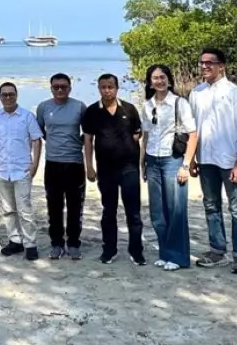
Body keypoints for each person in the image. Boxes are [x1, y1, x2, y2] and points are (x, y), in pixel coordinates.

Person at [189, 48, 237, 274]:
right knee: (211, 205)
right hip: (206, 159)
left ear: (221, 65)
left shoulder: (236, 94)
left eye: (210, 63)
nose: (205, 66)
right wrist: (193, 158)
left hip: (229, 159)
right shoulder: (196, 93)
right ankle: (217, 250)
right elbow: (193, 128)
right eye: (202, 62)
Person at [82, 73, 145, 265]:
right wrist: (90, 166)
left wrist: (140, 164)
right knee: (108, 211)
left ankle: (136, 251)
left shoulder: (130, 109)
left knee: (133, 212)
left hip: (129, 168)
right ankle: (109, 250)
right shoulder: (92, 111)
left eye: (110, 87)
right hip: (105, 169)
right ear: (99, 88)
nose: (107, 90)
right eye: (103, 87)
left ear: (117, 88)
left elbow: (138, 136)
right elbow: (88, 140)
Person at [141, 65, 198, 271]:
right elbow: (146, 135)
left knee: (176, 210)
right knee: (158, 211)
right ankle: (165, 252)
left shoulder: (179, 103)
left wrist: (186, 164)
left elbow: (193, 134)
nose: (159, 81)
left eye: (162, 77)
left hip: (172, 159)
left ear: (169, 80)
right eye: (154, 78)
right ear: (149, 82)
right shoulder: (147, 105)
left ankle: (179, 256)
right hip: (152, 159)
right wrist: (143, 163)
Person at [0, 82, 43, 260]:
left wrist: (34, 164)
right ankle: (15, 241)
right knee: (8, 209)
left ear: (16, 95)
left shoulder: (27, 116)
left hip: (22, 169)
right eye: (4, 95)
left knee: (25, 209)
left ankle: (30, 243)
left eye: (11, 94)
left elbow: (36, 140)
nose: (8, 97)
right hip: (2, 169)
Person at [36, 73, 87, 260]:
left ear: (70, 88)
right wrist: (52, 141)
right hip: (53, 163)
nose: (60, 90)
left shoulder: (79, 106)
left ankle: (73, 243)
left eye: (63, 87)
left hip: (75, 163)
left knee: (75, 207)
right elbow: (39, 130)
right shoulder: (43, 107)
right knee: (54, 207)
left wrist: (78, 142)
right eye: (56, 87)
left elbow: (88, 132)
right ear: (51, 88)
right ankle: (56, 243)